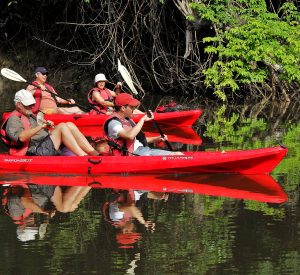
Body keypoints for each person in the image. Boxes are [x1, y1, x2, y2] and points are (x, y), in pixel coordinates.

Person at [3, 89, 99, 156]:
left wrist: (49, 126)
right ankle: (83, 157)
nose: (32, 107)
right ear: (19, 105)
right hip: (36, 150)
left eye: (32, 104)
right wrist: (41, 126)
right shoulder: (13, 119)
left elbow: (42, 128)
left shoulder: (29, 114)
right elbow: (21, 137)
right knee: (62, 126)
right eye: (28, 105)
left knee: (69, 125)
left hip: (45, 143)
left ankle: (94, 153)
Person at [103, 93, 183, 156]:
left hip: (141, 150)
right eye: (132, 107)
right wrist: (142, 120)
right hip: (132, 155)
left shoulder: (127, 119)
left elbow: (137, 140)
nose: (134, 109)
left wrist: (156, 139)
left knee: (178, 154)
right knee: (177, 155)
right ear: (123, 108)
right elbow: (129, 136)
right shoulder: (113, 123)